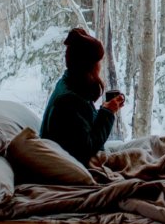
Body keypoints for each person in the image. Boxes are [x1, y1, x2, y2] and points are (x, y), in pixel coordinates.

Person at [40, 27, 125, 166]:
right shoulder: (68, 101)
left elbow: (79, 129)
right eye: (99, 61)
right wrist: (107, 113)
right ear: (89, 66)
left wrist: (104, 109)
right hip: (78, 163)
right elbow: (87, 147)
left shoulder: (68, 85)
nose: (100, 66)